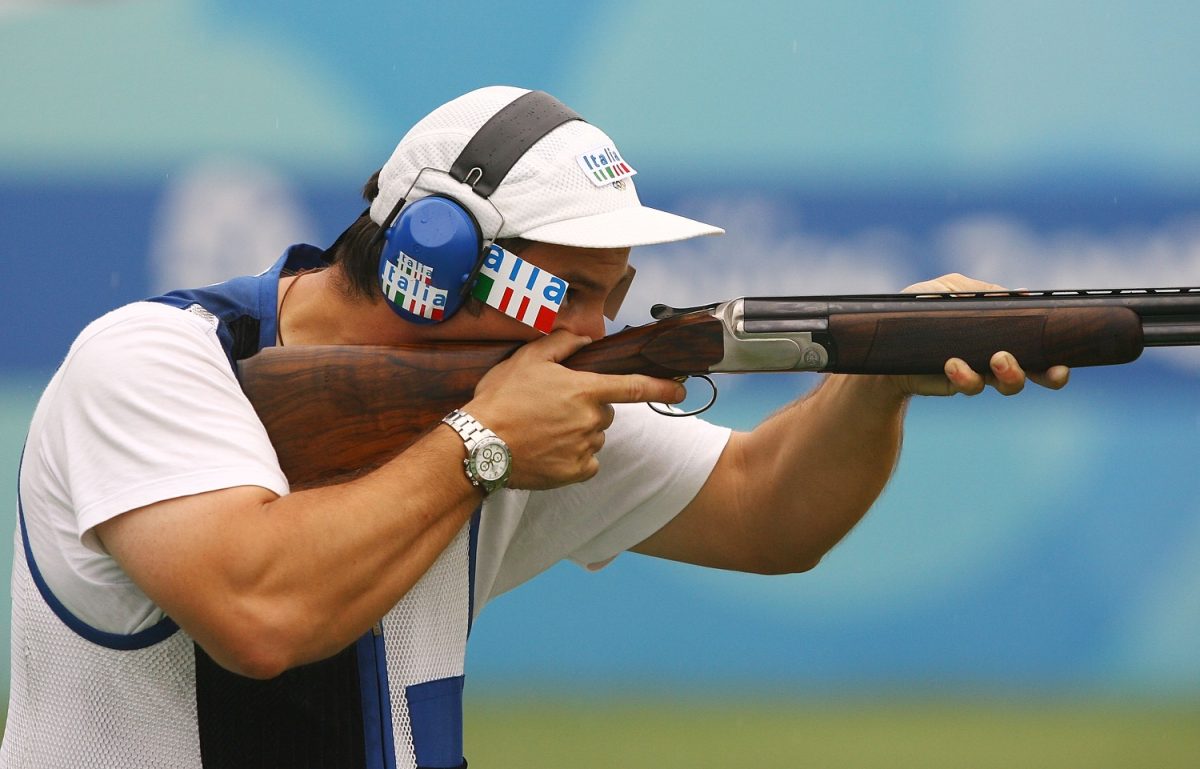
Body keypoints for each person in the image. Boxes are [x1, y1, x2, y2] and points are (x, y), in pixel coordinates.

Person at [2, 86, 1068, 769]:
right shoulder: (150, 364)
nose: (601, 328)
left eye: (619, 291)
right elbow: (261, 611)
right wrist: (480, 446)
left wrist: (873, 379)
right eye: (570, 290)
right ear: (436, 258)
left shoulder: (509, 394)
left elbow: (767, 514)